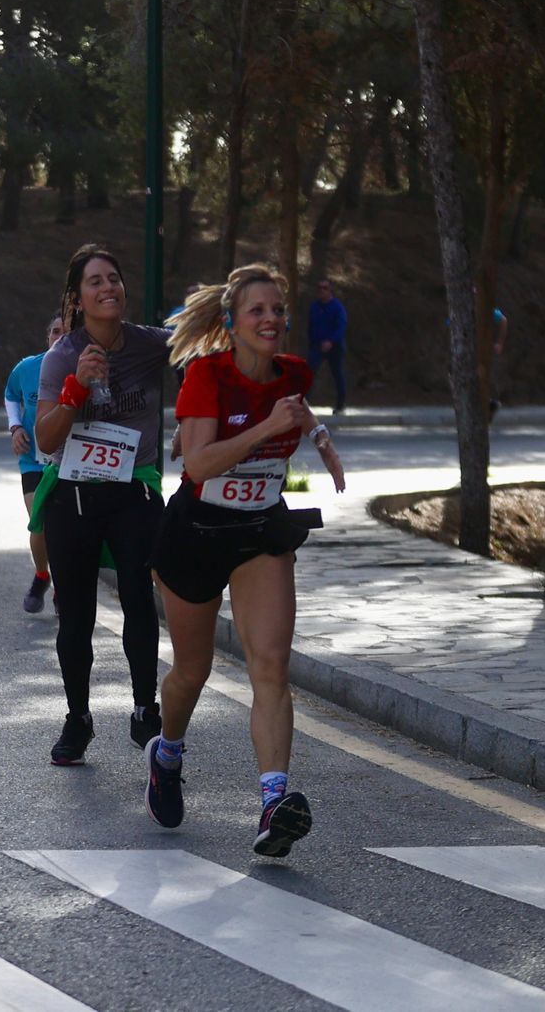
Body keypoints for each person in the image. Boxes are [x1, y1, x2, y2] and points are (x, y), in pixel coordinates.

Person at [145, 264, 345, 858]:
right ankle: (168, 750)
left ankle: (274, 803)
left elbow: (299, 413)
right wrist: (266, 429)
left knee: (272, 666)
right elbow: (199, 465)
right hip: (196, 533)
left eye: (278, 310)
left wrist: (323, 443)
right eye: (258, 310)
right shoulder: (207, 375)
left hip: (260, 531)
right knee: (193, 671)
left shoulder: (293, 374)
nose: (271, 320)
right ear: (232, 322)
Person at [33, 244, 170, 766]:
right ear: (77, 297)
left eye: (114, 278)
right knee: (77, 614)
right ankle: (78, 717)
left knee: (139, 599)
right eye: (95, 282)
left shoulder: (150, 345)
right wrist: (75, 390)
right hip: (76, 494)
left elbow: (208, 349)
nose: (108, 288)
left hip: (134, 490)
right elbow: (47, 440)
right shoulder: (61, 356)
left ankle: (144, 709)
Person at [6, 313, 65, 613]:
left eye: (65, 332)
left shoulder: (84, 367)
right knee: (40, 521)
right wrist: (15, 427)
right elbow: (10, 395)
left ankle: (62, 586)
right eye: (54, 331)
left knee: (63, 527)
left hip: (71, 462)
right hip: (34, 460)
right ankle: (43, 575)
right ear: (47, 336)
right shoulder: (27, 368)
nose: (59, 337)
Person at [307, 278, 347, 413]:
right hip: (317, 346)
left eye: (325, 288)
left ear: (330, 291)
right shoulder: (314, 307)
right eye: (320, 288)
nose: (322, 291)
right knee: (308, 372)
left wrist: (331, 341)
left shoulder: (337, 307)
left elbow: (341, 327)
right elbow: (311, 326)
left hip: (334, 346)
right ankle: (303, 404)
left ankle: (340, 406)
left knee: (337, 374)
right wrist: (312, 342)